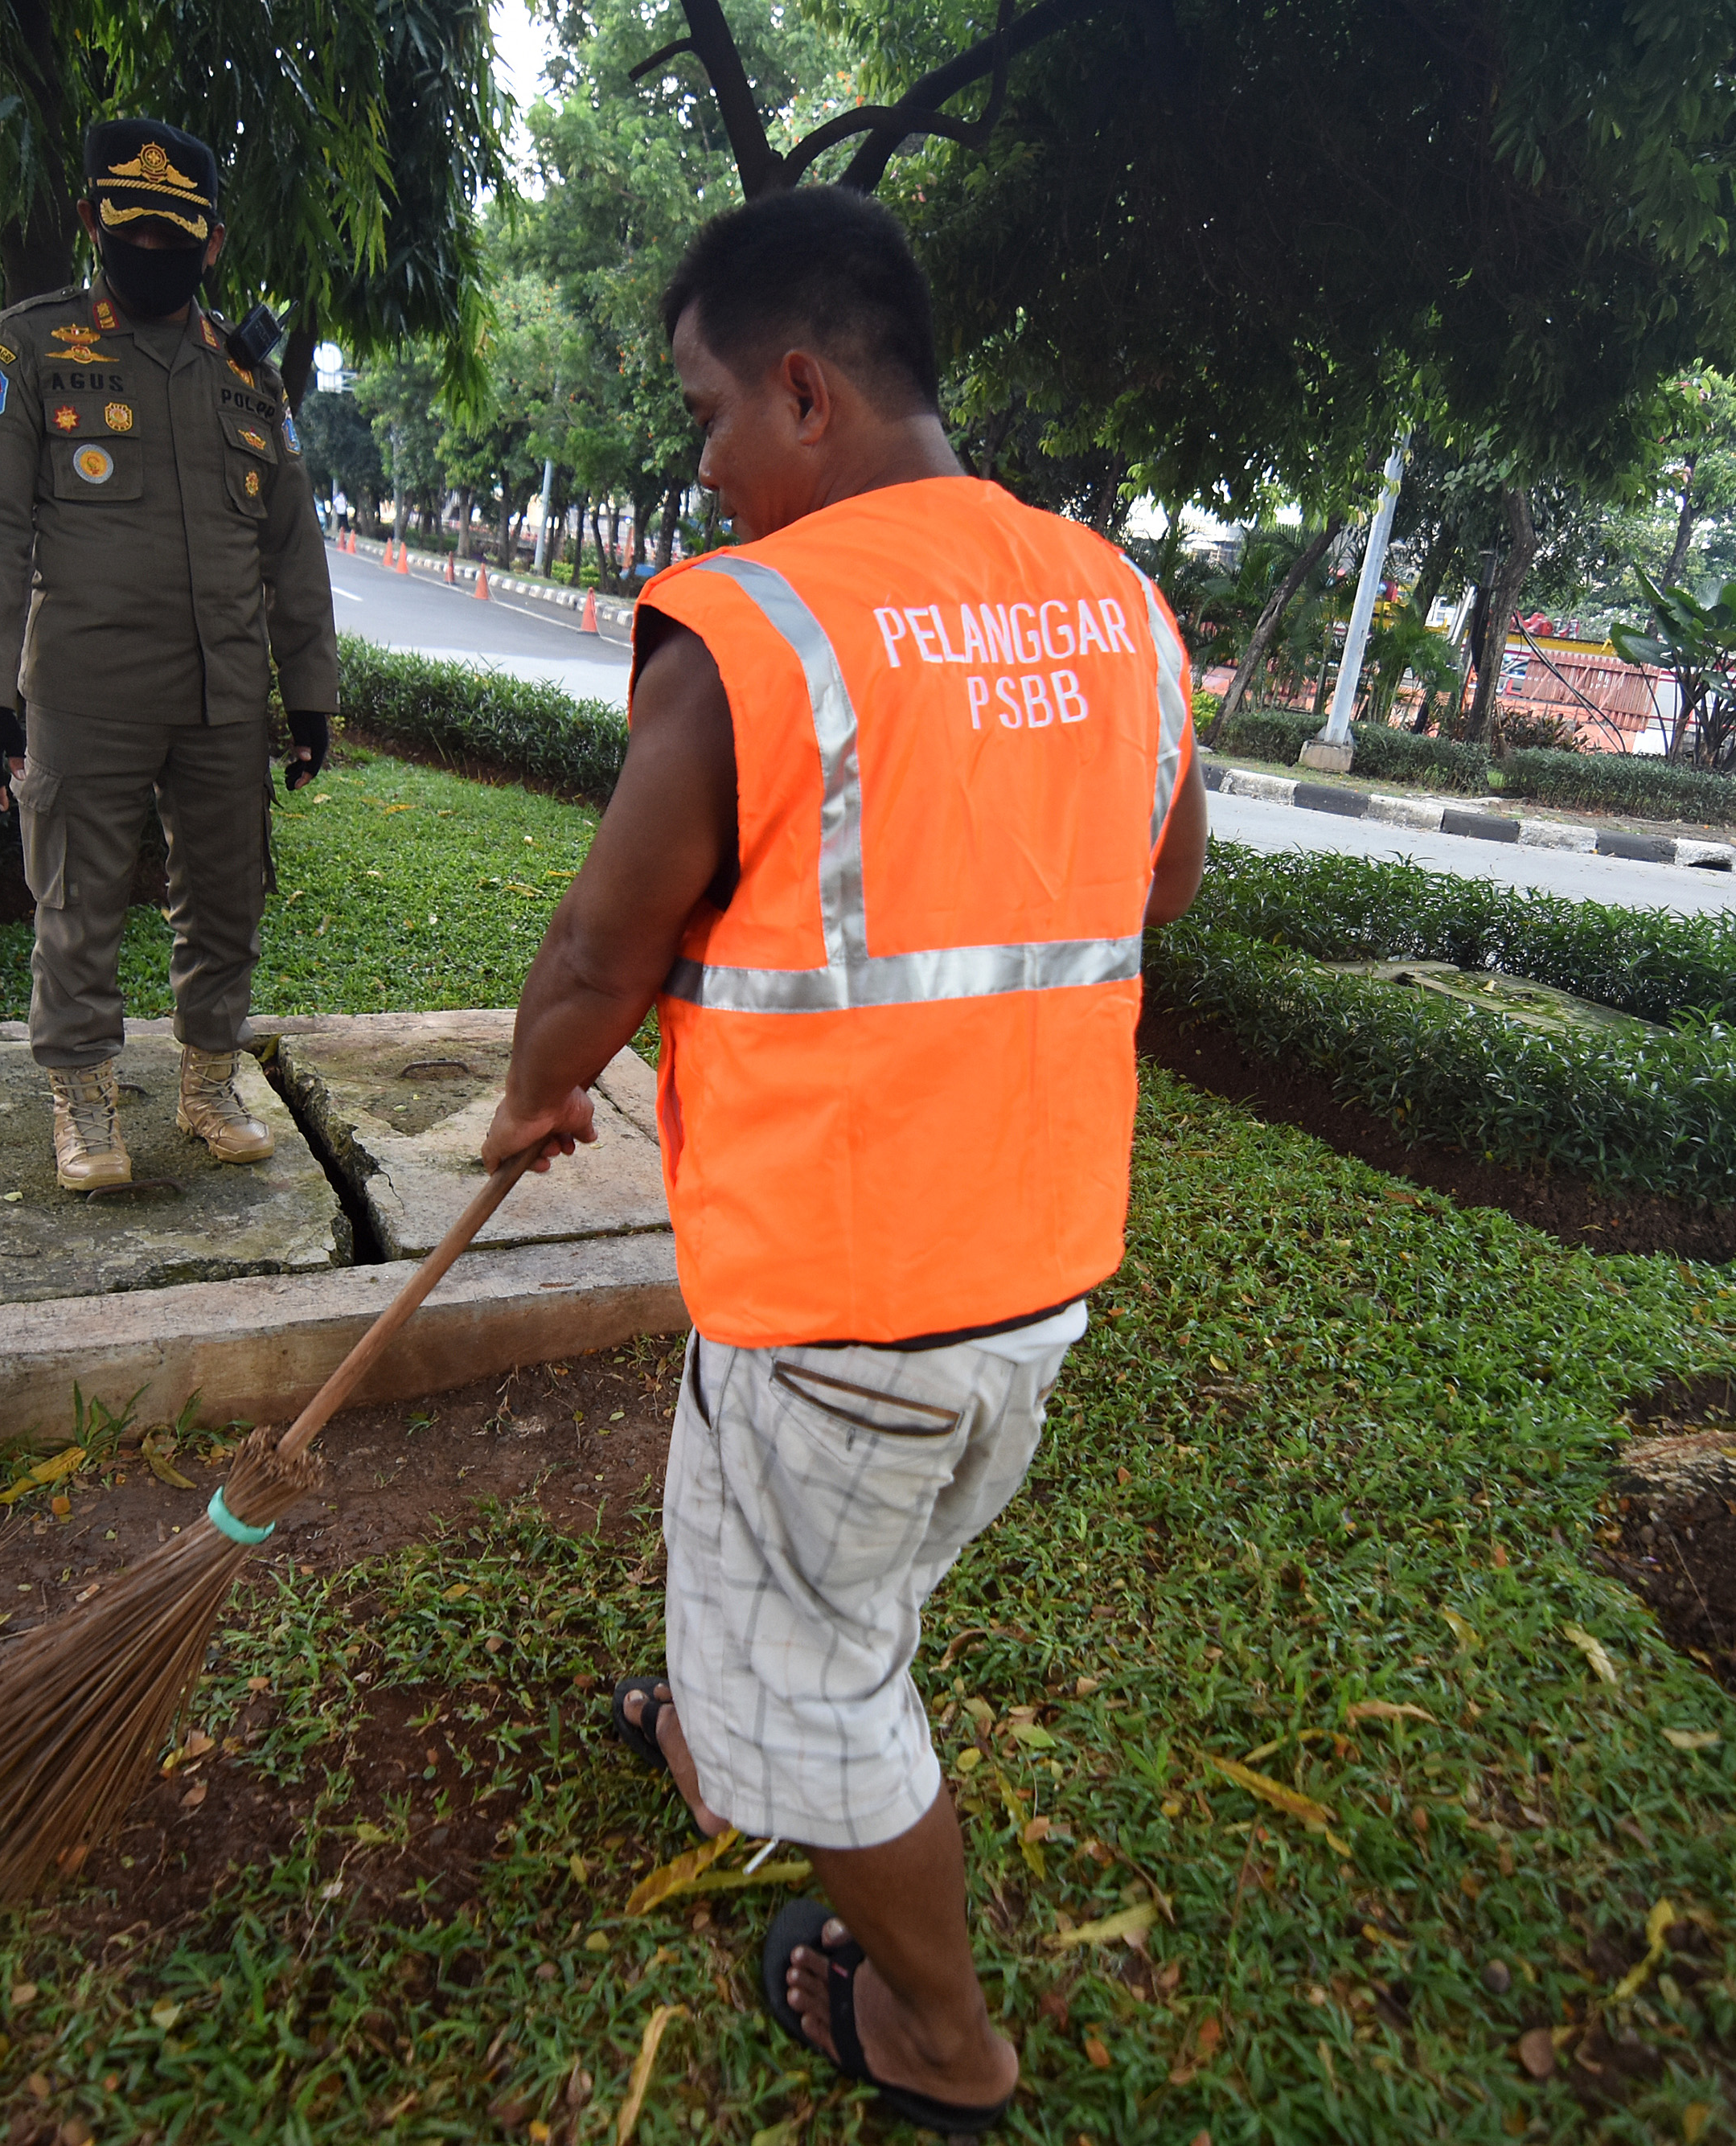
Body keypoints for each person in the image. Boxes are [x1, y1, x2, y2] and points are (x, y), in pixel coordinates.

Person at [481, 187, 1209, 2137]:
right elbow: (1158, 887)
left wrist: (540, 1088)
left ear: (802, 387)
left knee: (826, 1689)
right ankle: (721, 1740)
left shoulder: (758, 624)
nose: (704, 460)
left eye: (708, 409)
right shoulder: (1120, 608)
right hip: (1027, 1281)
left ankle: (938, 2031)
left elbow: (594, 953)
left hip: (839, 1313)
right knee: (797, 1585)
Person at [0, 117, 338, 1194]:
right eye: (132, 234)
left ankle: (207, 1084)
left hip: (221, 692)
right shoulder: (28, 349)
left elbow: (292, 550)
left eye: (179, 238)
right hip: (86, 686)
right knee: (79, 899)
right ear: (91, 224)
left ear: (212, 243)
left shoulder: (250, 378)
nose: (154, 255)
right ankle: (82, 1099)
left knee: (226, 898)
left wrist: (308, 696)